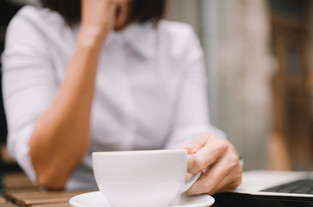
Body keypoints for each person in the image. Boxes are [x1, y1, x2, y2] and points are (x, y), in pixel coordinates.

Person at [2, 0, 242, 194]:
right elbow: (50, 170)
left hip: (162, 203)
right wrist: (92, 35)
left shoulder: (180, 41)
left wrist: (210, 159)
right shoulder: (33, 28)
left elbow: (189, 137)